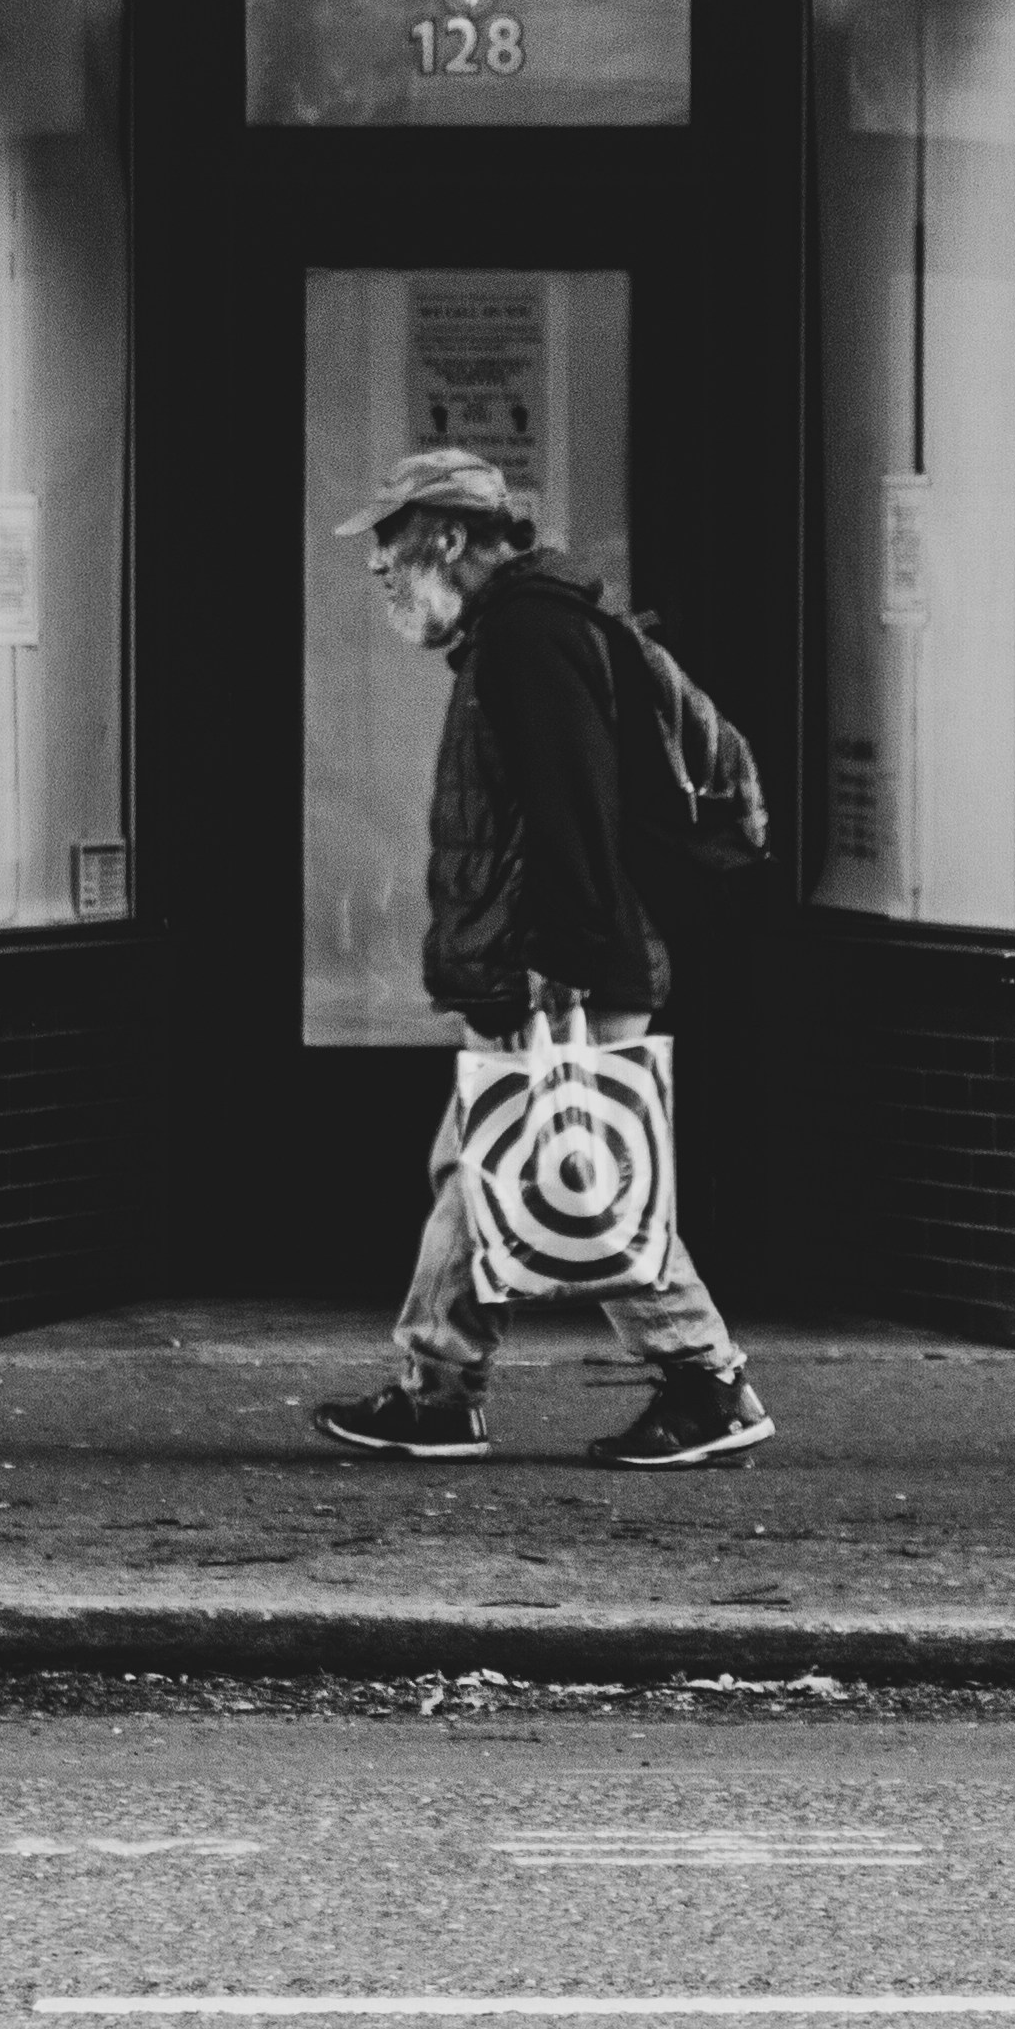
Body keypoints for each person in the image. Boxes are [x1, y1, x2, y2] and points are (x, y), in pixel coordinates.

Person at [305, 445, 779, 1470]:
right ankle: (438, 1388)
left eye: (390, 547)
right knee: (478, 1166)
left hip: (561, 968)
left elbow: (573, 812)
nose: (379, 569)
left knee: (579, 1175)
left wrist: (553, 967)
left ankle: (706, 1379)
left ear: (447, 537)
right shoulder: (516, 632)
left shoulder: (531, 635)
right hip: (549, 959)